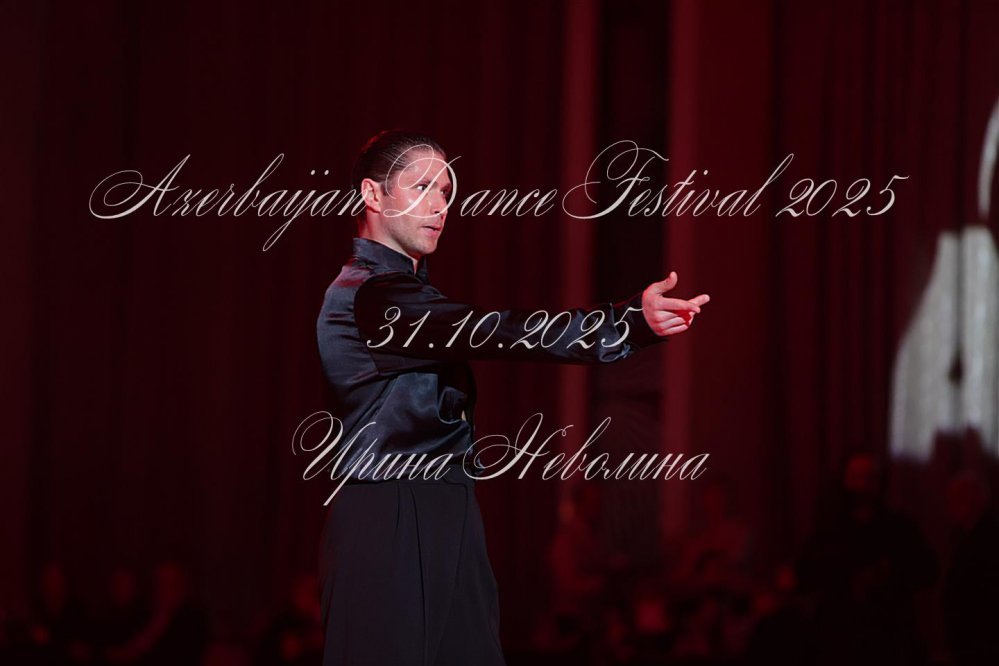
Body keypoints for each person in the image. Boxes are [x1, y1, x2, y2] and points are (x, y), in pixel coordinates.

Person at [315, 129, 710, 666]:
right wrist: (625, 323)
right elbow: (500, 330)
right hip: (392, 515)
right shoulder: (370, 295)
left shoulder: (399, 292)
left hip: (442, 509)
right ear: (373, 194)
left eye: (446, 192)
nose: (439, 205)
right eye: (422, 186)